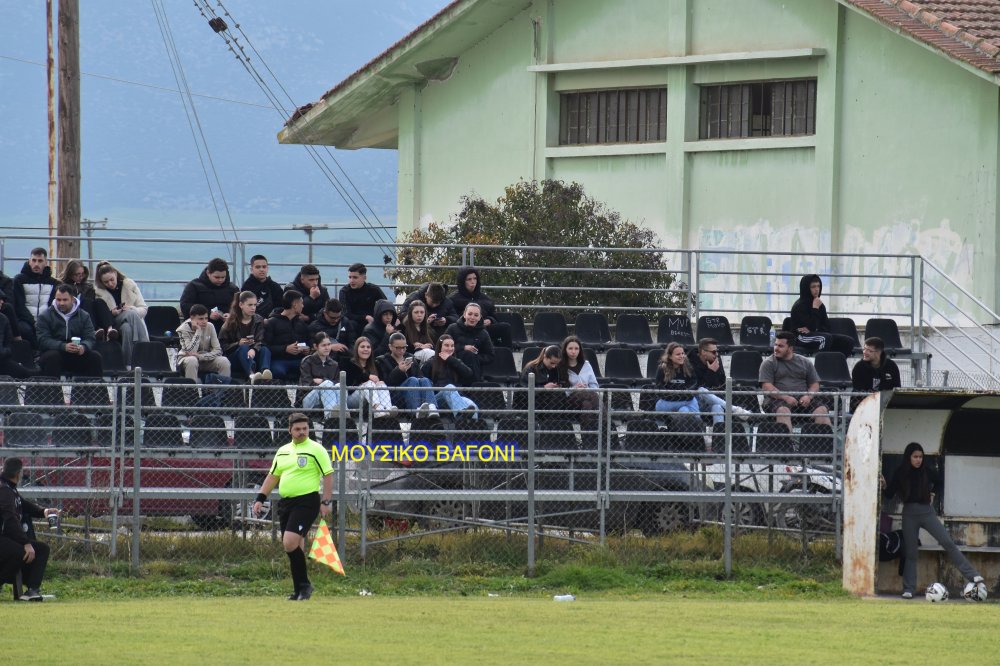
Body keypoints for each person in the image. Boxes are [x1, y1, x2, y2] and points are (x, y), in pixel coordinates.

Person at [881, 442, 986, 600]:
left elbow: (939, 481)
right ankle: (908, 589)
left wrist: (933, 494)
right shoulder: (900, 472)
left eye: (921, 457)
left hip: (927, 512)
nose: (918, 460)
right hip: (909, 513)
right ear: (908, 457)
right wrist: (883, 485)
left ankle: (973, 575)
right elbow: (889, 494)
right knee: (911, 552)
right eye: (915, 457)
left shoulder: (927, 471)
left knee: (947, 542)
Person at [252, 413, 333, 601]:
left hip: (307, 502)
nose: (302, 432)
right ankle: (300, 590)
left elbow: (328, 475)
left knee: (289, 543)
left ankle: (305, 585)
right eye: (297, 429)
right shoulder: (283, 451)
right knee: (296, 546)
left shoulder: (316, 449)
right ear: (290, 430)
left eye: (305, 428)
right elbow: (273, 476)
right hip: (286, 503)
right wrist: (260, 498)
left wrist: (326, 501)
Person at [0, 457, 60, 601]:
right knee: (20, 552)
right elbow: (10, 520)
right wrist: (26, 543)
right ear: (18, 473)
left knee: (42, 549)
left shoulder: (9, 488)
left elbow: (23, 503)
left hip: (6, 538)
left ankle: (32, 590)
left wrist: (43, 511)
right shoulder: (3, 490)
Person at [759, 332, 831, 432]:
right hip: (777, 400)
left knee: (822, 410)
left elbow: (814, 384)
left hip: (803, 400)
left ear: (790, 348)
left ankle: (824, 445)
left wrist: (809, 396)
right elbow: (767, 387)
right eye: (775, 345)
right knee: (783, 411)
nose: (776, 348)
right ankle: (789, 445)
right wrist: (786, 397)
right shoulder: (769, 363)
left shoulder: (805, 362)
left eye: (780, 346)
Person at [36, 284, 103, 377]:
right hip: (54, 352)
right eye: (58, 300)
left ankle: (92, 390)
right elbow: (43, 340)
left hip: (77, 354)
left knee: (95, 357)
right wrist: (63, 346)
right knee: (52, 357)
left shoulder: (84, 315)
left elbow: (90, 338)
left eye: (65, 300)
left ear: (72, 299)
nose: (61, 303)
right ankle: (52, 391)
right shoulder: (45, 316)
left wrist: (83, 347)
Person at [93, 261, 150, 366]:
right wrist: (112, 313)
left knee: (127, 328)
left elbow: (143, 309)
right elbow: (100, 316)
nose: (110, 284)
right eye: (106, 282)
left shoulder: (129, 285)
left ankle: (127, 364)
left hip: (131, 322)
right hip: (113, 323)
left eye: (112, 280)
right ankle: (145, 349)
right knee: (130, 314)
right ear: (101, 282)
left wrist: (132, 308)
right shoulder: (98, 293)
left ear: (115, 274)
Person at [687, 338, 752, 424]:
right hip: (696, 402)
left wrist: (713, 372)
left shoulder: (715, 359)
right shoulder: (690, 363)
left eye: (717, 351)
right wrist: (710, 372)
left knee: (717, 407)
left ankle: (719, 435)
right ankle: (735, 410)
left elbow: (721, 384)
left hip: (714, 399)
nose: (716, 354)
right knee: (701, 390)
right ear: (703, 352)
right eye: (713, 352)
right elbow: (696, 387)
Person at [789, 274, 855, 357]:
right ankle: (820, 366)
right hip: (800, 337)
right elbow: (811, 326)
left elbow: (826, 327)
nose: (817, 289)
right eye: (813, 287)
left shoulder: (820, 304)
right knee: (825, 338)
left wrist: (816, 330)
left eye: (818, 286)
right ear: (806, 288)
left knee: (848, 341)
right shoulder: (799, 306)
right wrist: (815, 308)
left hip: (817, 335)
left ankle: (836, 364)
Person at [376, 332, 438, 416]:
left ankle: (432, 407)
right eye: (398, 348)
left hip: (415, 393)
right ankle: (415, 411)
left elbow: (419, 376)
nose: (401, 350)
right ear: (390, 347)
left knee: (424, 380)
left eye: (404, 347)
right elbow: (385, 384)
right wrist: (399, 371)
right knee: (412, 380)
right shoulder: (382, 361)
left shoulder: (411, 358)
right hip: (394, 396)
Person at [451, 267, 513, 348]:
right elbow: (453, 319)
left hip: (484, 329)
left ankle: (506, 356)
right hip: (467, 331)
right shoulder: (454, 299)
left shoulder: (484, 298)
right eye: (469, 279)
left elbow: (494, 316)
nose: (473, 282)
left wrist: (490, 320)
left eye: (475, 278)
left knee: (505, 327)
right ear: (463, 282)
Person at [219, 291, 272, 383]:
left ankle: (265, 373)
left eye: (255, 305)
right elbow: (222, 346)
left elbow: (261, 340)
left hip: (253, 354)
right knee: (243, 347)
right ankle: (251, 374)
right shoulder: (230, 323)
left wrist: (254, 349)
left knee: (265, 349)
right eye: (250, 305)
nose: (253, 308)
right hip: (236, 358)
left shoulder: (259, 320)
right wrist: (237, 344)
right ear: (241, 305)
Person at [12, 247, 59, 347]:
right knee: (25, 330)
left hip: (46, 320)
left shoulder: (53, 283)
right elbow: (19, 306)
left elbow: (53, 306)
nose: (36, 264)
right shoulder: (19, 280)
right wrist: (33, 322)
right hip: (25, 320)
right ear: (29, 261)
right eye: (34, 260)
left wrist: (43, 321)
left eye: (40, 261)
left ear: (46, 262)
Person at [57, 259, 115, 341]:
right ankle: (93, 331)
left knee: (99, 302)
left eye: (82, 274)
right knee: (86, 302)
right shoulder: (63, 286)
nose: (80, 277)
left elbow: (92, 302)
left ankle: (110, 329)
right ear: (70, 274)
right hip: (75, 311)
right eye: (77, 275)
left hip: (88, 311)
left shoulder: (87, 287)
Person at [421, 334, 478, 415]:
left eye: (452, 346)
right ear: (440, 347)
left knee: (473, 406)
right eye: (446, 345)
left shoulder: (456, 361)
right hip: (437, 400)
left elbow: (469, 374)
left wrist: (450, 360)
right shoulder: (431, 363)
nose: (450, 348)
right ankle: (460, 413)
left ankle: (469, 426)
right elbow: (423, 382)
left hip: (457, 397)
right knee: (449, 387)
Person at [179, 257, 239, 332]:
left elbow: (239, 306)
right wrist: (207, 314)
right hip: (201, 328)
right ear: (208, 273)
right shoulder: (194, 286)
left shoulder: (232, 288)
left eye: (223, 277)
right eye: (216, 277)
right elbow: (185, 305)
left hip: (227, 328)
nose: (220, 280)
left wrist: (231, 315)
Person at [263, 290, 311, 380]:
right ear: (295, 305)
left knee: (310, 368)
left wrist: (307, 349)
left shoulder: (301, 324)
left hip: (298, 359)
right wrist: (285, 349)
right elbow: (266, 346)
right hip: (279, 360)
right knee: (278, 371)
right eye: (301, 303)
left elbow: (308, 342)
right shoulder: (272, 322)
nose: (303, 306)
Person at [343, 337, 396, 417]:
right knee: (369, 383)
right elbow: (349, 385)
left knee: (381, 384)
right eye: (362, 347)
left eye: (368, 347)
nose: (366, 349)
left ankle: (387, 410)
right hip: (352, 399)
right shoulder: (349, 364)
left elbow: (380, 381)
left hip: (369, 401)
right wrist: (368, 377)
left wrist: (379, 382)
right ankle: (378, 410)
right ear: (357, 349)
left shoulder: (376, 365)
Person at [176, 304, 231, 381]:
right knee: (192, 360)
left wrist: (201, 356)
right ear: (192, 318)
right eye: (201, 319)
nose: (205, 321)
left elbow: (218, 351)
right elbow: (190, 352)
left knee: (224, 361)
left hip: (205, 359)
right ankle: (192, 391)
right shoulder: (182, 330)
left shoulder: (210, 326)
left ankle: (222, 392)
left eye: (206, 318)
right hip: (186, 360)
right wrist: (198, 331)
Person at [444, 302, 494, 383]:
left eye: (476, 315)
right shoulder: (452, 328)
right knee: (467, 354)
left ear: (480, 317)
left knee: (470, 356)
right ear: (464, 314)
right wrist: (463, 348)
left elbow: (490, 355)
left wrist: (475, 357)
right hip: (454, 365)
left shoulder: (483, 333)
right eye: (470, 314)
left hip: (474, 368)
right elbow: (441, 347)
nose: (472, 317)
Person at [851, 336, 902, 411]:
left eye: (869, 350)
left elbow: (896, 388)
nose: (864, 352)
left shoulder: (891, 366)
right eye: (864, 349)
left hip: (886, 405)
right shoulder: (859, 367)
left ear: (878, 352)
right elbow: (858, 391)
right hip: (863, 405)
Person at [298, 332, 341, 420]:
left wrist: (322, 381)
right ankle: (330, 418)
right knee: (327, 384)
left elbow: (337, 383)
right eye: (323, 345)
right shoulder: (307, 361)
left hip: (329, 399)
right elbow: (306, 385)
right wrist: (324, 384)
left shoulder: (334, 364)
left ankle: (342, 414)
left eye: (329, 344)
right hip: (308, 400)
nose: (327, 348)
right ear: (315, 346)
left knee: (339, 386)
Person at [653, 342, 700, 415]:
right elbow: (659, 388)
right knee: (692, 402)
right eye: (678, 354)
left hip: (683, 400)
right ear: (670, 356)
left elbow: (693, 385)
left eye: (683, 353)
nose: (682, 356)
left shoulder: (688, 368)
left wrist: (679, 395)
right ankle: (698, 422)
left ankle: (680, 422)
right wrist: (682, 394)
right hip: (666, 403)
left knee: (684, 410)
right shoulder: (662, 368)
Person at [339, 263, 387, 330]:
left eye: (355, 277)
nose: (351, 281)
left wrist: (394, 319)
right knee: (350, 323)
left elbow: (386, 305)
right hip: (353, 324)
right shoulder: (344, 291)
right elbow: (346, 314)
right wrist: (365, 317)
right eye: (350, 277)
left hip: (373, 323)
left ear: (364, 278)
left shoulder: (374, 289)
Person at [308, 299, 356, 366]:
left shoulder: (345, 322)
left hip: (344, 360)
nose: (336, 320)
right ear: (325, 313)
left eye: (338, 317)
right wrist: (330, 347)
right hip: (323, 363)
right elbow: (312, 349)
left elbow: (352, 342)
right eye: (332, 318)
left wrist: (348, 351)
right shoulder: (314, 327)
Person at [0, 292, 37, 378]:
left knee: (30, 374)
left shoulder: (3, 319)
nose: (2, 302)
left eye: (2, 300)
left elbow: (7, 344)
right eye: (0, 299)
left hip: (2, 359)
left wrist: (4, 352)